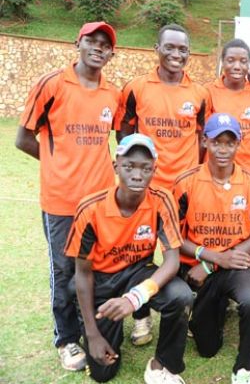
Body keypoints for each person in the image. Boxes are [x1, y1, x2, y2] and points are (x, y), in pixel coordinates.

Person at [15, 21, 120, 371]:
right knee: (63, 269)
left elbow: (115, 141)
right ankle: (67, 339)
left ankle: (96, 325)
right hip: (61, 201)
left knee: (93, 267)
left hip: (101, 202)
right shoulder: (52, 84)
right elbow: (23, 138)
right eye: (92, 40)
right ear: (77, 42)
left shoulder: (112, 94)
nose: (98, 48)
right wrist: (60, 165)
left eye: (105, 44)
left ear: (112, 53)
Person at [64, 134, 193, 383]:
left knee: (181, 296)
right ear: (116, 167)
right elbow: (83, 273)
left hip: (138, 271)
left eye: (146, 168)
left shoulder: (161, 200)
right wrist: (92, 335)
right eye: (129, 166)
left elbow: (171, 261)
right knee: (103, 372)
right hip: (101, 279)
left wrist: (135, 298)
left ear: (154, 170)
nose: (137, 175)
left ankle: (162, 364)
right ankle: (98, 327)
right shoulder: (90, 208)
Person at [118, 23, 208, 345]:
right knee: (139, 253)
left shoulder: (199, 93)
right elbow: (124, 133)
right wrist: (135, 176)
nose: (176, 54)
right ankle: (141, 319)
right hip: (146, 190)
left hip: (183, 192)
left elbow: (202, 138)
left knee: (182, 251)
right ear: (156, 49)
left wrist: (191, 172)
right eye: (169, 47)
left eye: (182, 49)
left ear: (189, 53)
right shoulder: (136, 88)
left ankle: (181, 314)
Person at [172, 113, 250, 384]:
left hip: (234, 262)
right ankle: (210, 314)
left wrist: (217, 262)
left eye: (230, 142)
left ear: (239, 144)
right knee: (207, 348)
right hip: (196, 267)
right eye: (217, 142)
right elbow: (174, 237)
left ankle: (244, 367)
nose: (223, 149)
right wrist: (208, 258)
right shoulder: (186, 182)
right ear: (205, 142)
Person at [205, 39, 250, 178]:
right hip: (216, 171)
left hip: (249, 171)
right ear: (222, 62)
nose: (237, 66)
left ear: (249, 64)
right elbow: (202, 135)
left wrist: (246, 153)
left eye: (243, 61)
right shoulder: (208, 92)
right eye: (230, 60)